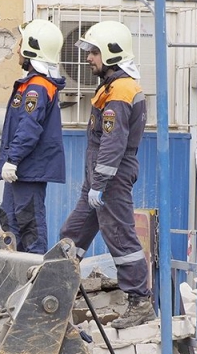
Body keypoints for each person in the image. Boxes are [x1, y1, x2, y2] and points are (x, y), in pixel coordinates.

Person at [59, 20, 154, 329]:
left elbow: (113, 144)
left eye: (94, 53)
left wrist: (99, 184)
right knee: (71, 237)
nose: (89, 59)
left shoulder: (121, 91)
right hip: (99, 181)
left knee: (120, 239)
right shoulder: (112, 87)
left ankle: (140, 302)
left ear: (112, 53)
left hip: (109, 181)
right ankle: (55, 294)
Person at [0, 19, 66, 254]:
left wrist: (13, 159)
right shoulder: (31, 85)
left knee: (29, 223)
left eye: (21, 43)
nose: (17, 48)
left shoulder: (37, 87)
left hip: (27, 169)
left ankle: (36, 275)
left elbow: (29, 127)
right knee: (10, 220)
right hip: (21, 170)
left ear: (32, 48)